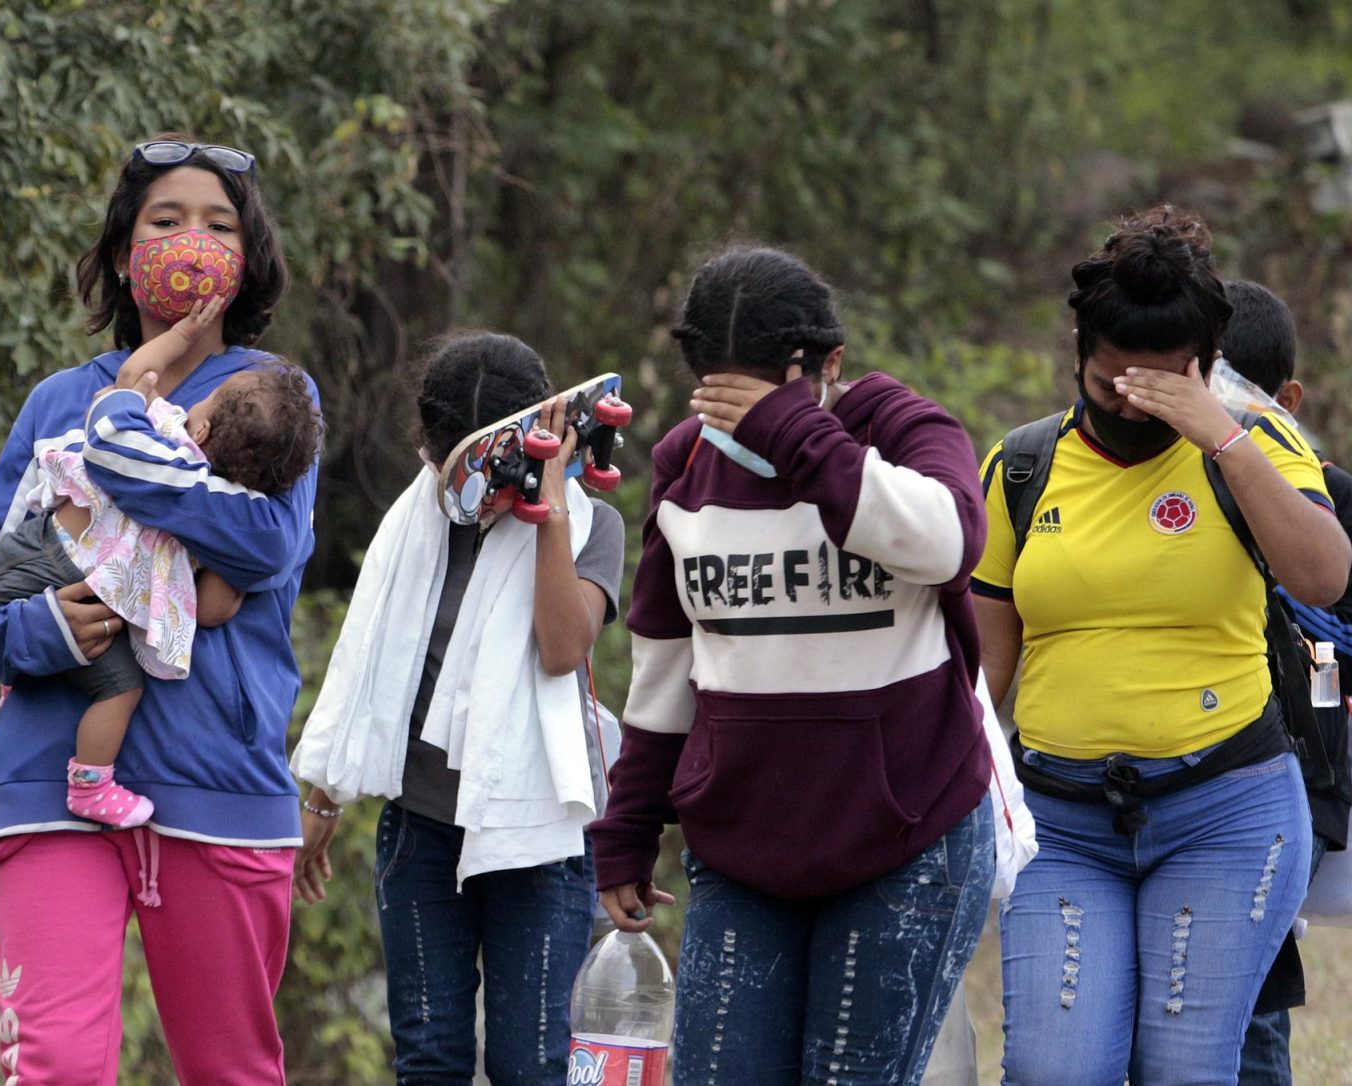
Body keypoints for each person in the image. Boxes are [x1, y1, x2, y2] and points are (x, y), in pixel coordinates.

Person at [0, 136, 315, 1083]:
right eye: (164, 221)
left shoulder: (273, 396)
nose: (190, 240)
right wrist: (43, 627)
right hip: (51, 776)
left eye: (218, 224)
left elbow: (271, 545)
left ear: (246, 259)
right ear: (122, 252)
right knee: (57, 1069)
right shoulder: (55, 402)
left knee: (229, 1070)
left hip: (219, 788)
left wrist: (122, 447)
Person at [590, 246, 996, 1085]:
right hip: (745, 841)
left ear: (830, 365)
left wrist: (803, 436)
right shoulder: (685, 466)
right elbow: (666, 664)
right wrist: (627, 827)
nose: (735, 425)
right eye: (717, 397)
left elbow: (950, 541)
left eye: (757, 398)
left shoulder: (904, 431)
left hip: (905, 833)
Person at [974, 209, 1350, 1086]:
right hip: (1061, 823)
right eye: (1112, 384)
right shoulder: (1023, 467)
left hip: (1227, 813)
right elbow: (985, 674)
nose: (1134, 404)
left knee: (1185, 1069)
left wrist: (1219, 432)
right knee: (1053, 1070)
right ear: (1078, 354)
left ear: (1207, 362)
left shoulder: (1256, 446)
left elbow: (1325, 575)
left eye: (1163, 383)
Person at [290, 332, 626, 1086]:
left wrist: (551, 509)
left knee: (528, 1065)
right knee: (429, 1059)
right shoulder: (416, 524)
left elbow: (563, 647)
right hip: (420, 833)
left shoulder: (594, 526)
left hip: (536, 842)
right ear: (432, 450)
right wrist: (325, 800)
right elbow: (367, 663)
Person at [0, 295, 322, 829]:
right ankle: (91, 784)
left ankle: (20, 679)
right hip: (63, 571)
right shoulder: (217, 513)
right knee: (122, 687)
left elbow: (130, 374)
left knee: (74, 634)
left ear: (204, 430)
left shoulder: (155, 427)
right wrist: (230, 567)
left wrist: (178, 339)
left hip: (32, 554)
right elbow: (211, 610)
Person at [1221, 280, 1352, 1085]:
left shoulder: (1327, 497)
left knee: (1249, 1000)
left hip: (1301, 776)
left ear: (1286, 400)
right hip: (1194, 768)